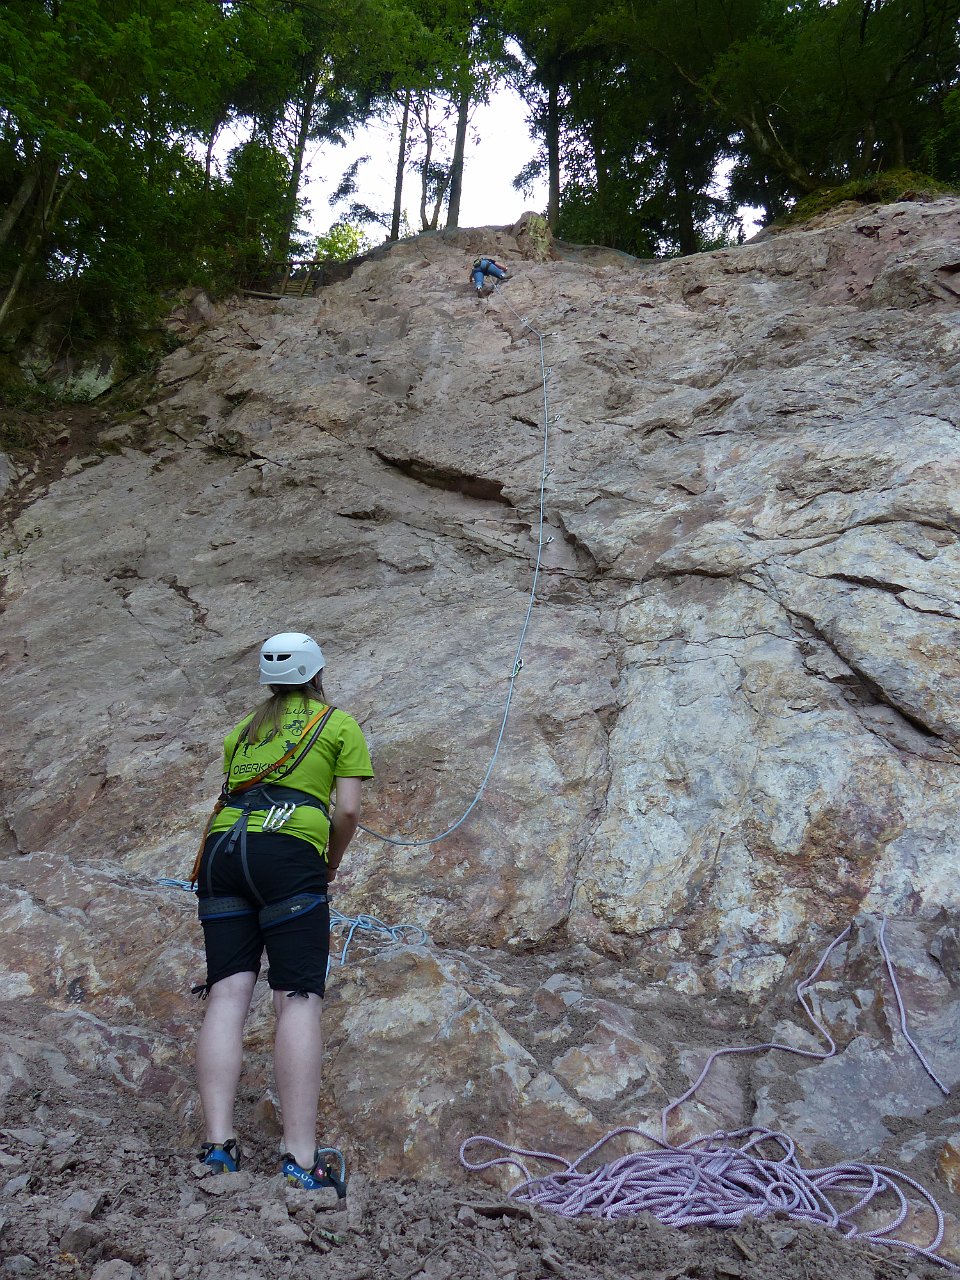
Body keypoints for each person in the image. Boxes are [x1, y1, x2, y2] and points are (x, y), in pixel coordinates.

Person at [192, 631, 373, 1192]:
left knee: (226, 997)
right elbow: (346, 810)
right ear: (318, 673)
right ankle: (299, 1159)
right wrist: (329, 865)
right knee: (297, 1000)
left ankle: (218, 1147)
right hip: (288, 856)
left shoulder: (243, 732)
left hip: (224, 853)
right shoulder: (338, 725)